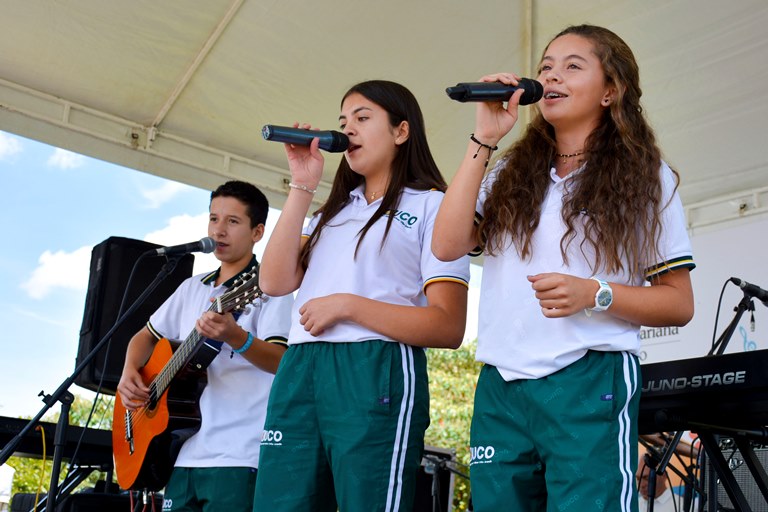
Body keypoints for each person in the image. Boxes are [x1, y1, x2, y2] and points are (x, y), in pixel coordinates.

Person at [432, 24, 695, 511]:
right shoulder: (509, 173)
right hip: (502, 384)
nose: (551, 76)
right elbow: (446, 244)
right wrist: (484, 138)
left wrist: (596, 293)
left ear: (610, 90)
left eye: (573, 66)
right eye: (544, 68)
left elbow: (679, 302)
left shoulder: (646, 177)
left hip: (589, 378)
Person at [253, 80, 470, 511]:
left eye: (363, 118)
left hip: (376, 367)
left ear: (401, 131)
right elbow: (273, 281)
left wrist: (348, 305)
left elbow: (448, 325)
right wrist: (302, 185)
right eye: (342, 121)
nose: (347, 129)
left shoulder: (433, 206)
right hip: (301, 367)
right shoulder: (330, 213)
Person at [116, 180, 293, 512]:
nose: (219, 230)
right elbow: (145, 336)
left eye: (233, 221)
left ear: (257, 232)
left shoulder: (270, 287)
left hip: (238, 454)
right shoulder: (191, 287)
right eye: (214, 219)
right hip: (180, 452)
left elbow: (283, 362)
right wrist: (128, 373)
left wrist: (236, 337)